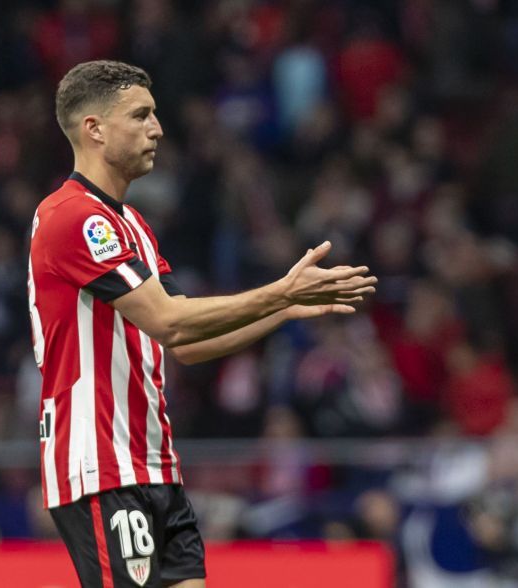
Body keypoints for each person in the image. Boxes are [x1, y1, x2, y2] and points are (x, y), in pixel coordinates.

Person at [28, 60, 376, 587]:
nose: (157, 129)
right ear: (93, 129)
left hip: (154, 464)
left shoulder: (131, 224)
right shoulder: (73, 217)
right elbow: (170, 322)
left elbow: (187, 344)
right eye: (140, 115)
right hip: (102, 466)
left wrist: (282, 310)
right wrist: (281, 290)